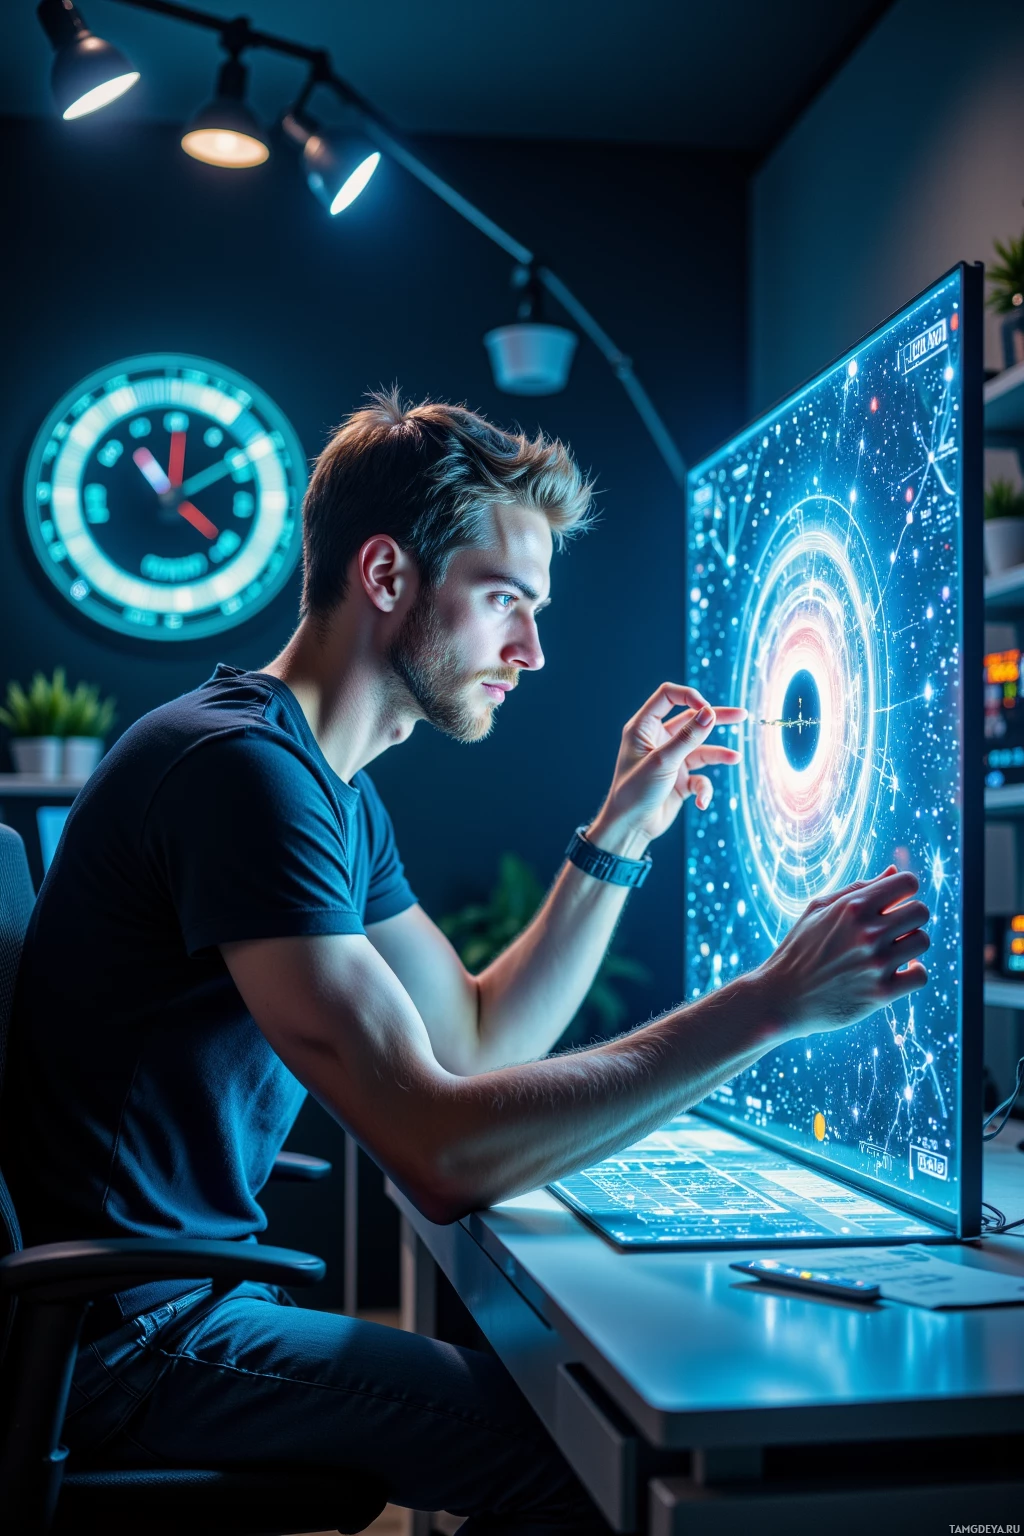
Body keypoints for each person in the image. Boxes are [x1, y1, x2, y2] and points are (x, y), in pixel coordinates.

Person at [1, 391, 931, 1533]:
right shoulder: (240, 776)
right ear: (387, 576)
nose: (531, 652)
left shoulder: (323, 789)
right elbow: (442, 1153)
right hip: (130, 1340)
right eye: (504, 602)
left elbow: (479, 1036)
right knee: (585, 1460)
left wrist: (619, 835)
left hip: (161, 1305)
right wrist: (772, 1005)